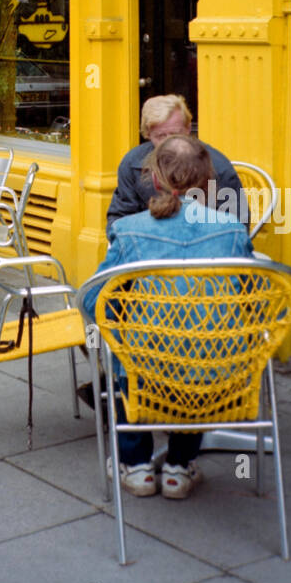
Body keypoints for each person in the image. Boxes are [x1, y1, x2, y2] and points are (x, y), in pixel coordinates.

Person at [82, 134, 253, 499]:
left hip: (148, 367)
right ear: (209, 180)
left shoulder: (129, 230)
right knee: (196, 344)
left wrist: (123, 315)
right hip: (218, 371)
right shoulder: (234, 231)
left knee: (118, 349)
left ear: (155, 180)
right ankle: (178, 466)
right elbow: (251, 297)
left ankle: (137, 465)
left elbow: (93, 301)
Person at [107, 93, 247, 231]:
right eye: (161, 136)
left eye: (175, 134)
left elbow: (238, 223)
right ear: (148, 134)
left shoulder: (218, 165)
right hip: (148, 245)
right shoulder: (132, 163)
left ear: (188, 128)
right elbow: (119, 217)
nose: (169, 142)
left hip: (205, 246)